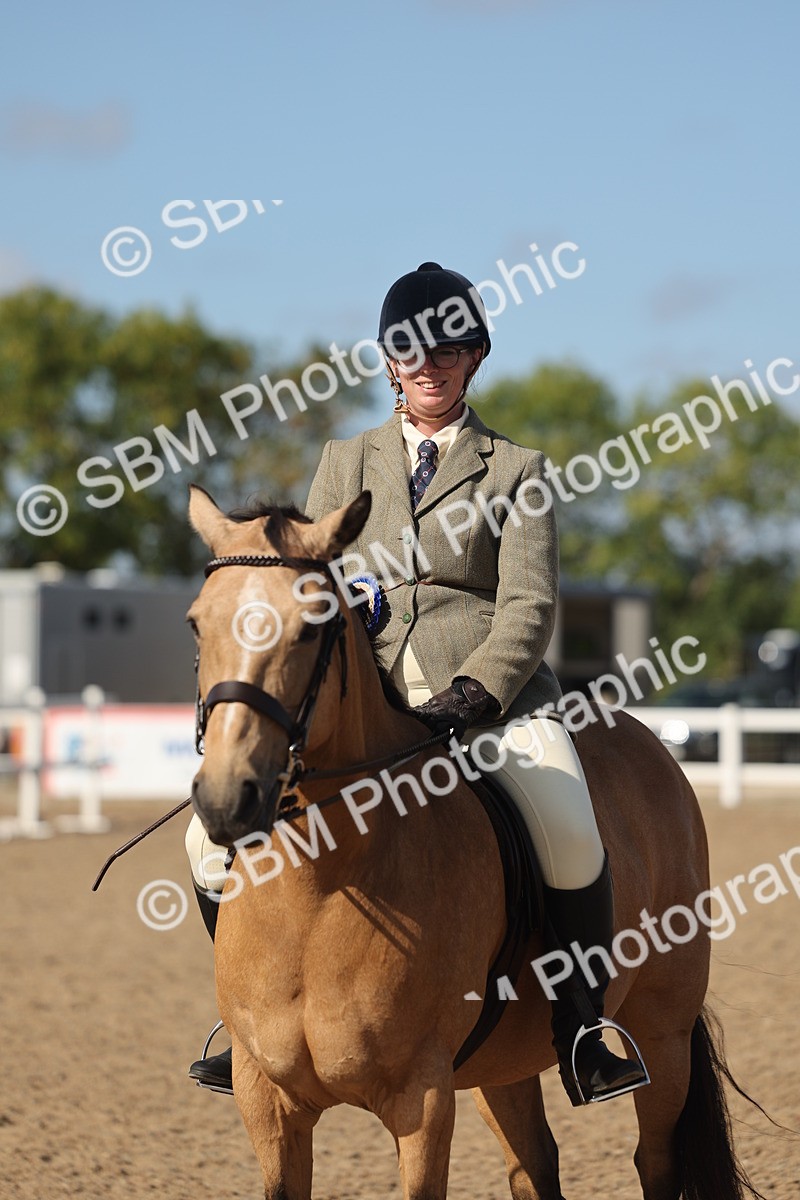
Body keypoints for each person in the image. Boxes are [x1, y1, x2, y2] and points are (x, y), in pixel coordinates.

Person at [186, 262, 648, 1107]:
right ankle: (246, 1020)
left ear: (474, 360)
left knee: (571, 826)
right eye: (411, 352)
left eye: (449, 350)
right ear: (389, 362)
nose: (429, 365)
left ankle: (584, 1027)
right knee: (203, 841)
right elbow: (308, 579)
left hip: (489, 700)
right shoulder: (344, 459)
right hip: (364, 698)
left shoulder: (517, 469)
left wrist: (475, 694)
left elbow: (529, 607)